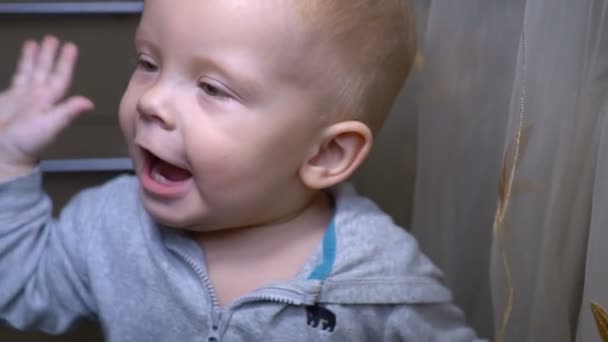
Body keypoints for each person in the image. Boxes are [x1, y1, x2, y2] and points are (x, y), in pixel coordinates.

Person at [0, 1, 483, 341]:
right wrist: (9, 159)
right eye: (148, 62)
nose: (152, 101)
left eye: (211, 88)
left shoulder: (380, 282)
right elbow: (25, 288)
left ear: (326, 155)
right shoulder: (107, 224)